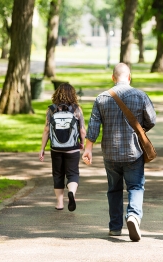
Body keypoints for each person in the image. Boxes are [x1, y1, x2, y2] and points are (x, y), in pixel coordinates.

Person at [82, 63, 156, 242]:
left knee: (113, 190)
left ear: (113, 78)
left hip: (110, 153)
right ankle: (133, 216)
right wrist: (139, 129)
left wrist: (88, 149)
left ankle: (115, 227)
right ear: (129, 77)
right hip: (134, 151)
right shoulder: (140, 95)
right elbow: (152, 120)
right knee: (136, 186)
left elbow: (93, 126)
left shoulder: (101, 98)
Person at [39, 83, 86, 212]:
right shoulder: (77, 109)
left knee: (58, 174)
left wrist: (42, 148)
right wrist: (82, 143)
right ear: (73, 94)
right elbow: (82, 130)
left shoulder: (51, 109)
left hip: (56, 148)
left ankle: (59, 203)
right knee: (73, 173)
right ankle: (71, 192)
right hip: (72, 147)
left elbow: (46, 130)